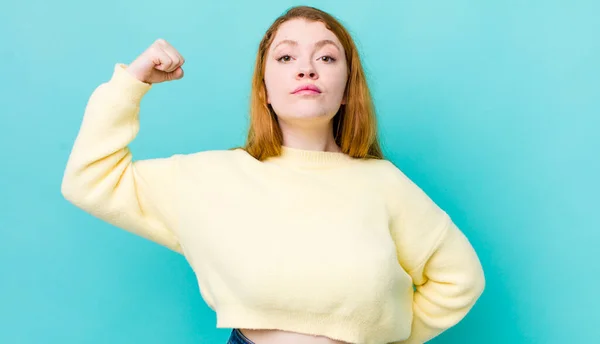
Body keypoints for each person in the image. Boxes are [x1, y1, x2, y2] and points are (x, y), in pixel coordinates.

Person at [61, 5, 485, 344]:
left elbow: (460, 279)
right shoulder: (210, 178)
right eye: (286, 57)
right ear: (263, 88)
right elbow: (90, 181)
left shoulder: (384, 184)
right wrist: (131, 83)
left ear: (346, 88)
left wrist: (393, 338)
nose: (306, 68)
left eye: (326, 56)